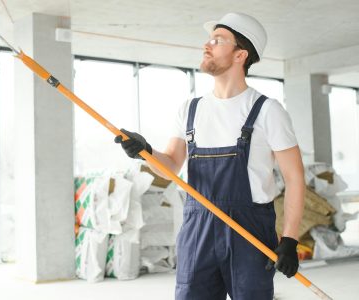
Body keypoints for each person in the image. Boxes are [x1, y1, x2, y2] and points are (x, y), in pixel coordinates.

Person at [115, 12, 305, 300]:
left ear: (241, 54)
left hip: (249, 230)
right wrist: (146, 152)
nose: (207, 45)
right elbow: (171, 166)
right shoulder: (190, 109)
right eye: (208, 39)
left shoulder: (267, 110)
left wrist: (290, 239)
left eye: (217, 40)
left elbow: (295, 178)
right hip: (198, 227)